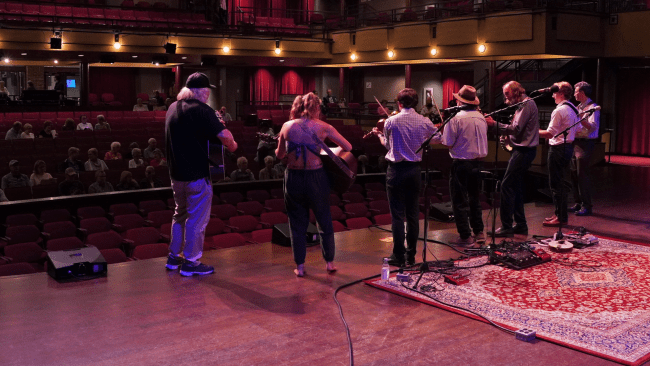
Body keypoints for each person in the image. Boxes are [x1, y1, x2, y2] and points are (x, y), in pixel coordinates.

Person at [165, 72, 238, 276]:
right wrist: (233, 144)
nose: (208, 95)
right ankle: (191, 262)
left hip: (176, 175)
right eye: (207, 91)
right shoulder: (203, 110)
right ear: (203, 92)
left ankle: (173, 258)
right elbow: (225, 138)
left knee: (180, 214)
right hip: (196, 175)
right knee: (197, 220)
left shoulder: (172, 108)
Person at [276, 92, 351, 276]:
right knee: (324, 219)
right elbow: (347, 147)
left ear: (296, 107)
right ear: (316, 107)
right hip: (316, 176)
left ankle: (300, 267)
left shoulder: (287, 126)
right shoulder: (324, 127)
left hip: (294, 177)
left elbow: (279, 155)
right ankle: (330, 263)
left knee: (296, 222)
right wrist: (328, 151)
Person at [369, 88, 438, 266]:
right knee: (413, 214)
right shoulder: (424, 120)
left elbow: (388, 146)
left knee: (397, 216)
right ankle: (411, 255)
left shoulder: (391, 121)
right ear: (415, 103)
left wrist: (379, 137)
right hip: (414, 170)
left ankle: (398, 255)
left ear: (399, 103)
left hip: (396, 171)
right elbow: (439, 138)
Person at [432, 85, 488, 246]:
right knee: (475, 199)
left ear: (459, 101)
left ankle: (465, 236)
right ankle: (479, 232)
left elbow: (448, 143)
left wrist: (443, 132)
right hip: (479, 163)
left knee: (459, 200)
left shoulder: (455, 118)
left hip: (462, 163)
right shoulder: (481, 117)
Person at [485, 81, 539, 237]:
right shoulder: (522, 105)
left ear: (516, 92)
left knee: (506, 186)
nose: (505, 98)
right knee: (515, 188)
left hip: (524, 152)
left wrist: (494, 124)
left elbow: (516, 129)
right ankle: (521, 225)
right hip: (521, 150)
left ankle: (507, 226)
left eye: (507, 94)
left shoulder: (527, 104)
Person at [540, 81, 579, 227]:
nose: (552, 95)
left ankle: (561, 217)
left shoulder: (559, 110)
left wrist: (531, 131)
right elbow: (579, 129)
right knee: (560, 182)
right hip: (568, 147)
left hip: (557, 149)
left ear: (561, 93)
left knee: (556, 184)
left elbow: (550, 134)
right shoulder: (573, 108)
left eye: (555, 92)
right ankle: (558, 213)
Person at [569, 81, 600, 217]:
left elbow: (592, 127)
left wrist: (580, 118)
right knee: (574, 175)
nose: (574, 94)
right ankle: (578, 202)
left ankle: (587, 206)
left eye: (575, 91)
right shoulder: (578, 107)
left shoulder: (593, 107)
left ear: (582, 93)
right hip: (575, 142)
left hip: (586, 144)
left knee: (582, 175)